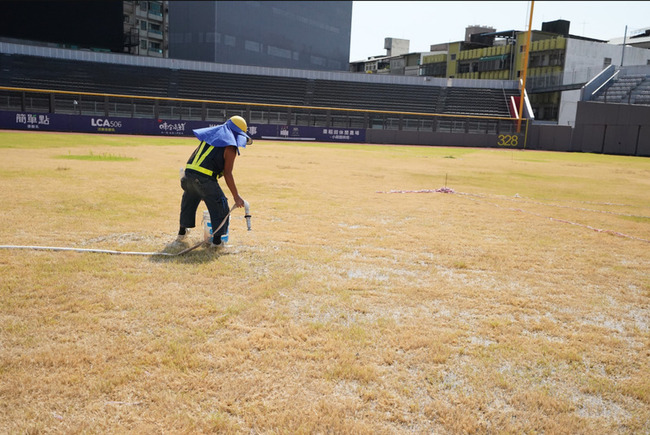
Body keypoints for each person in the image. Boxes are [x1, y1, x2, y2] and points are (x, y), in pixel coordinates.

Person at [176, 115, 252, 247]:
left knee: (188, 202)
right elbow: (228, 173)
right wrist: (236, 196)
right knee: (220, 206)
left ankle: (181, 234)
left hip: (188, 176)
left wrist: (201, 191)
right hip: (204, 179)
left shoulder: (212, 136)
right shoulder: (230, 147)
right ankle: (217, 243)